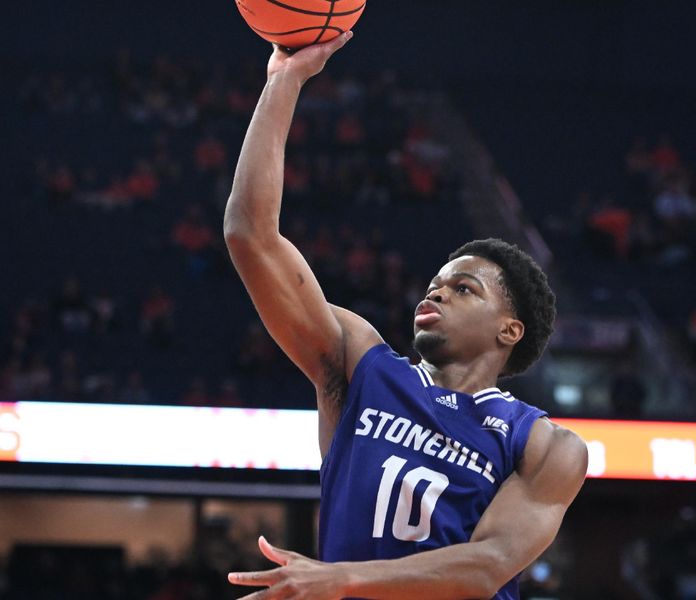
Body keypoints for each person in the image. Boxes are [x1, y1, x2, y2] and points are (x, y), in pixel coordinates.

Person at [223, 32, 588, 600]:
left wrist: (342, 578)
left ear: (509, 330)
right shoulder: (361, 365)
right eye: (435, 284)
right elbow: (250, 236)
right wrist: (283, 83)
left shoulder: (544, 445)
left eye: (463, 289)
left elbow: (486, 567)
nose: (435, 294)